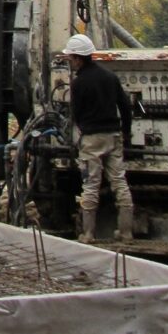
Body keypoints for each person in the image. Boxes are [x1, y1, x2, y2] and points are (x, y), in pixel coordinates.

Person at [64, 33, 135, 243]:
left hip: (91, 139)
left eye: (71, 59)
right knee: (120, 182)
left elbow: (75, 114)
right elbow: (125, 107)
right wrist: (126, 131)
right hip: (113, 136)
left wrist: (80, 132)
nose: (70, 63)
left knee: (91, 185)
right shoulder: (110, 77)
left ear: (78, 58)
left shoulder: (79, 84)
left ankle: (88, 234)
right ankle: (126, 232)